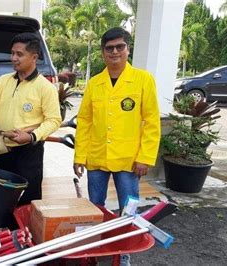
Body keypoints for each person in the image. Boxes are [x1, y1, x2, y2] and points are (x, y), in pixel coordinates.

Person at [0, 33, 62, 206]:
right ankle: (7, 232)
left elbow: (53, 120)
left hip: (29, 152)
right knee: (3, 197)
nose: (13, 58)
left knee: (27, 199)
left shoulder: (45, 87)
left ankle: (25, 233)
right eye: (12, 53)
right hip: (3, 148)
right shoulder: (3, 81)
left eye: (19, 54)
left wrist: (31, 136)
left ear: (34, 57)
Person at [73, 27, 161, 212]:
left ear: (128, 49)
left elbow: (152, 121)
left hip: (128, 159)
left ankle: (127, 237)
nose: (114, 52)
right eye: (109, 48)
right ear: (103, 52)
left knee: (129, 208)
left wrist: (145, 157)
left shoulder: (143, 79)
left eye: (120, 47)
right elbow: (84, 122)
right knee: (95, 207)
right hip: (97, 157)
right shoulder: (94, 83)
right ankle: (100, 237)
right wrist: (80, 156)